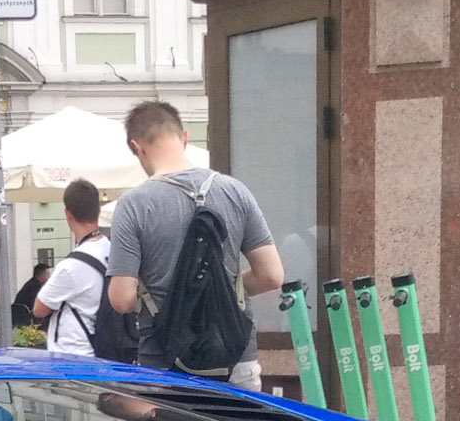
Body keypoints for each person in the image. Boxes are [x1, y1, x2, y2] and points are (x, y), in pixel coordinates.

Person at [106, 99, 283, 385]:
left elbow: (122, 299)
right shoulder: (235, 191)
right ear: (185, 137)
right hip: (234, 357)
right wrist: (218, 291)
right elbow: (272, 275)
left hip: (165, 364)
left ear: (137, 147)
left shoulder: (133, 205)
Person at [34, 179, 111, 358]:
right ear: (98, 210)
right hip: (103, 350)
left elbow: (39, 308)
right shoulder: (110, 249)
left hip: (72, 355)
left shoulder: (71, 267)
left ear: (68, 213)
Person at [12, 257, 51, 331]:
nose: (49, 276)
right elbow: (39, 303)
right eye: (48, 274)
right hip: (27, 316)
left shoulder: (30, 283)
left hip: (21, 315)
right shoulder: (36, 286)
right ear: (42, 275)